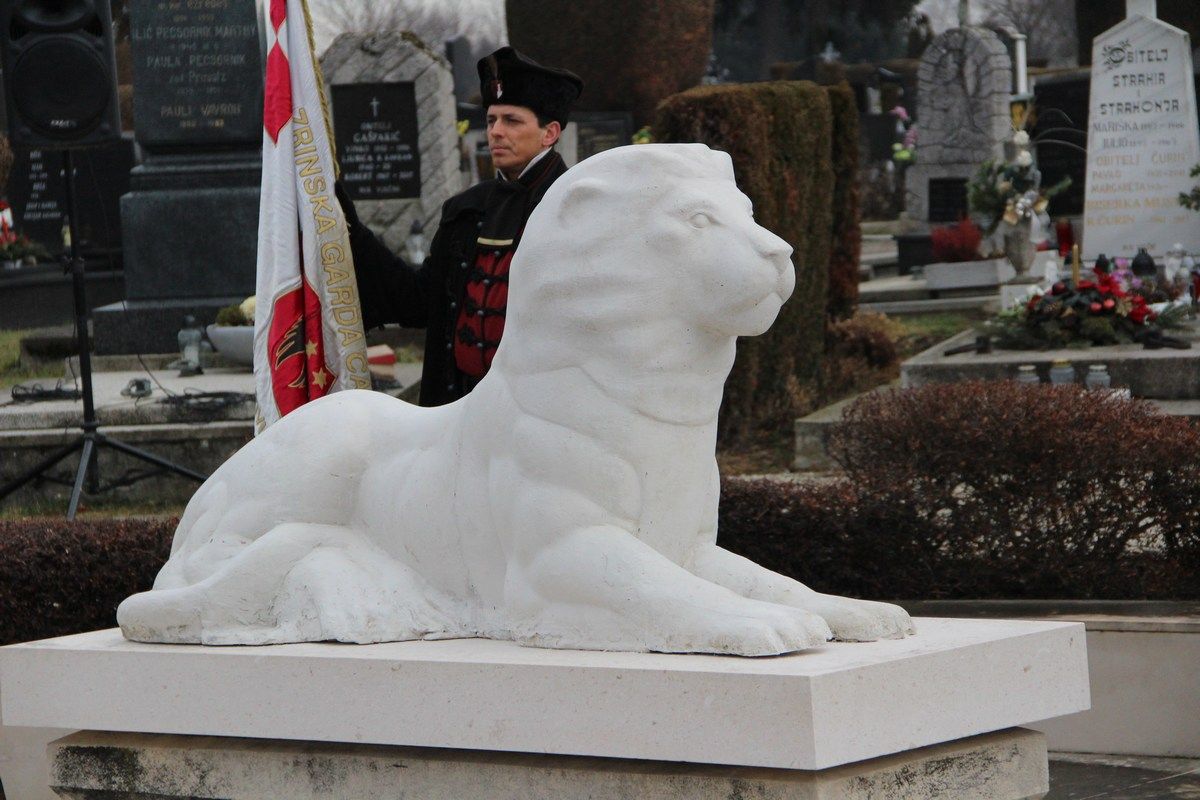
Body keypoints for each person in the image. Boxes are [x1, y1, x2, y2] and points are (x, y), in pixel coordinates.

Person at [337, 47, 583, 406]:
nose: (496, 132)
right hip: (460, 409)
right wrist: (351, 234)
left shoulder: (575, 207)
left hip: (544, 412)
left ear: (549, 133)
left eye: (512, 121)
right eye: (491, 120)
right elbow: (420, 302)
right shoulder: (467, 210)